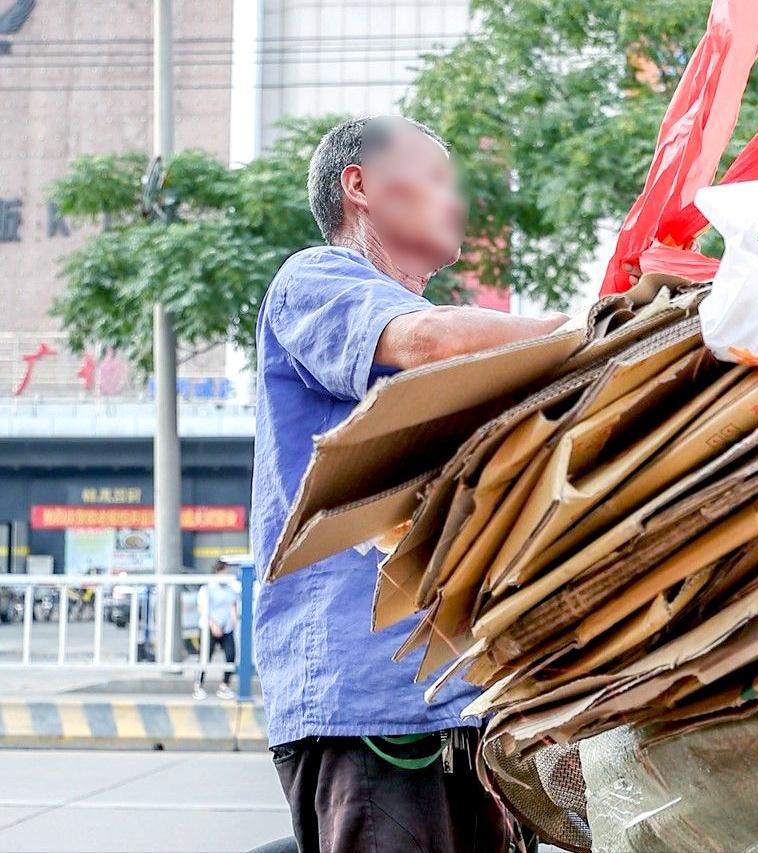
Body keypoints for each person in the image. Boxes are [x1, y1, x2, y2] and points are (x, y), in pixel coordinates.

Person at [252, 115, 568, 853]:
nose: (453, 200)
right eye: (433, 177)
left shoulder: (452, 341)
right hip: (373, 704)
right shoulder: (318, 278)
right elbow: (428, 340)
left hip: (466, 708)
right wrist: (603, 326)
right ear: (357, 187)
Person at [194, 559, 239, 701]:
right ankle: (198, 686)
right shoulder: (207, 588)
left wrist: (233, 621)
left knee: (231, 655)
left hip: (226, 627)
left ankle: (224, 686)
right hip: (209, 626)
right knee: (205, 657)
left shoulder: (230, 589)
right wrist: (213, 624)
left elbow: (232, 605)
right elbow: (202, 608)